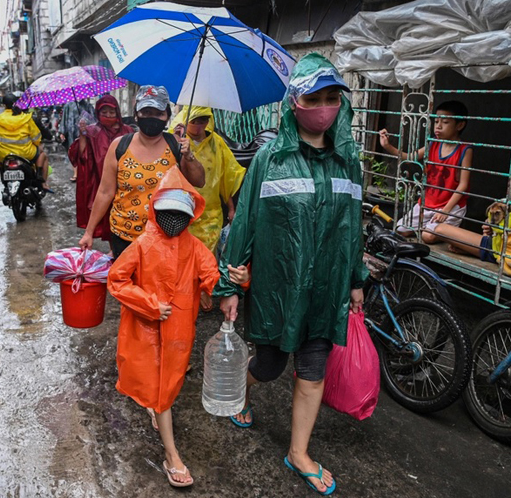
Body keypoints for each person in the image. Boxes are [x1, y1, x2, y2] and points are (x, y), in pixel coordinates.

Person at [215, 53, 368, 496]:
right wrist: (230, 285)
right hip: (276, 286)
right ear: (294, 103)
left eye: (331, 98)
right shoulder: (270, 158)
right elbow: (244, 222)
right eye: (313, 98)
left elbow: (353, 227)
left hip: (327, 287)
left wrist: (356, 279)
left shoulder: (348, 161)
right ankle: (242, 393)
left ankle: (298, 452)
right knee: (268, 365)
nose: (323, 106)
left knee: (313, 370)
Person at [107, 169, 219, 488]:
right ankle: (172, 455)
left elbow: (212, 276)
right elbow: (117, 279)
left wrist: (233, 282)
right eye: (167, 213)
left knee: (165, 386)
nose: (173, 221)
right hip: (144, 330)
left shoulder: (194, 248)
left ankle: (156, 412)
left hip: (178, 333)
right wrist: (149, 304)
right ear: (156, 210)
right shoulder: (142, 245)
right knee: (160, 394)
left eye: (180, 215)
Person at [78, 85, 205, 257]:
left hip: (164, 239)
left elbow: (199, 182)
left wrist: (189, 156)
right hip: (123, 237)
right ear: (136, 114)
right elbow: (105, 192)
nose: (151, 118)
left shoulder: (176, 145)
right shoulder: (119, 146)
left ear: (167, 116)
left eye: (158, 113)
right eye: (146, 113)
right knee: (123, 283)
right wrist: (89, 232)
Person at [168, 105, 246, 310]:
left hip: (210, 212)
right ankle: (187, 289)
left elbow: (225, 177)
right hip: (182, 209)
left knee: (207, 254)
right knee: (183, 253)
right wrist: (178, 144)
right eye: (194, 120)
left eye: (203, 119)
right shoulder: (174, 139)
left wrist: (231, 207)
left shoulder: (216, 144)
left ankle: (203, 288)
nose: (199, 125)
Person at [379, 101, 473, 244]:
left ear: (460, 125)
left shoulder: (465, 150)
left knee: (427, 237)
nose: (438, 126)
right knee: (401, 229)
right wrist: (388, 146)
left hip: (451, 205)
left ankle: (439, 227)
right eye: (436, 121)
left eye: (445, 122)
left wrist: (445, 211)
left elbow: (463, 185)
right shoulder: (432, 143)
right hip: (428, 202)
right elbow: (410, 157)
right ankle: (429, 225)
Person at [68, 95, 134, 247]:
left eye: (112, 112)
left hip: (126, 181)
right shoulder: (93, 131)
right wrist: (83, 135)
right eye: (104, 112)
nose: (109, 116)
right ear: (98, 113)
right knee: (107, 215)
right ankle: (113, 248)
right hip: (101, 180)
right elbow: (82, 157)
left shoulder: (128, 131)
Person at [0, 93, 51, 191]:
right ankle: (42, 181)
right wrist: (38, 145)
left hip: (5, 154)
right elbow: (36, 137)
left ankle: (2, 174)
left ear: (4, 105)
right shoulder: (26, 118)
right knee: (43, 155)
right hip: (26, 153)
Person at [60, 99, 94, 182]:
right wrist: (62, 132)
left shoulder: (88, 105)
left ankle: (85, 172)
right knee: (74, 151)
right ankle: (76, 173)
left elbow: (93, 119)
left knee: (85, 151)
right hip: (72, 132)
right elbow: (64, 118)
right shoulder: (68, 105)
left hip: (84, 132)